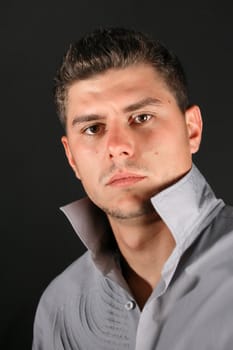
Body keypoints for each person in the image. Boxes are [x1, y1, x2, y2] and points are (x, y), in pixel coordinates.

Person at [32, 27, 233, 350]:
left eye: (141, 117)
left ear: (192, 130)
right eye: (93, 128)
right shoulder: (60, 309)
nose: (118, 147)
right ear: (71, 157)